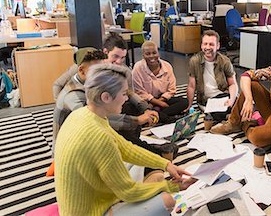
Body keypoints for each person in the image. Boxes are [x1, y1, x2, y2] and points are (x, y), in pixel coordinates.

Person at [54, 63, 195, 216]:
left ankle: (150, 185)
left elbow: (126, 148)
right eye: (124, 93)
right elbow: (129, 192)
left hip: (85, 198)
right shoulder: (99, 137)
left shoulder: (83, 114)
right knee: (168, 200)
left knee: (142, 165)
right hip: (90, 211)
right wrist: (173, 187)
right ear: (106, 97)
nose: (127, 98)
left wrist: (166, 164)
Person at [52, 47, 163, 155]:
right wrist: (137, 120)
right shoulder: (73, 95)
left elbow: (126, 91)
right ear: (81, 70)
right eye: (96, 70)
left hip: (87, 131)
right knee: (113, 126)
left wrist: (145, 108)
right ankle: (145, 152)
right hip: (72, 148)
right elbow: (96, 119)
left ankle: (140, 149)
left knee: (128, 108)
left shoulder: (93, 79)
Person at [185, 30, 238, 121]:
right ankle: (232, 116)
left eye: (211, 44)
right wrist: (189, 105)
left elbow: (232, 84)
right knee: (218, 113)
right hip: (206, 100)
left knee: (245, 102)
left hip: (223, 96)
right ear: (201, 45)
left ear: (218, 46)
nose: (207, 47)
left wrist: (231, 100)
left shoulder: (225, 61)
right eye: (205, 44)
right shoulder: (194, 61)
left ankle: (232, 114)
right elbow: (191, 86)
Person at [132, 41, 188, 123]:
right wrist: (158, 103)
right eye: (148, 54)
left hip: (163, 99)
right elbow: (140, 92)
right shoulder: (137, 68)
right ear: (143, 55)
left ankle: (156, 115)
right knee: (134, 109)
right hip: (146, 102)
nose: (151, 56)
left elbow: (171, 89)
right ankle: (167, 117)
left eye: (154, 53)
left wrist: (160, 101)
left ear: (158, 53)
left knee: (184, 102)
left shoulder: (167, 66)